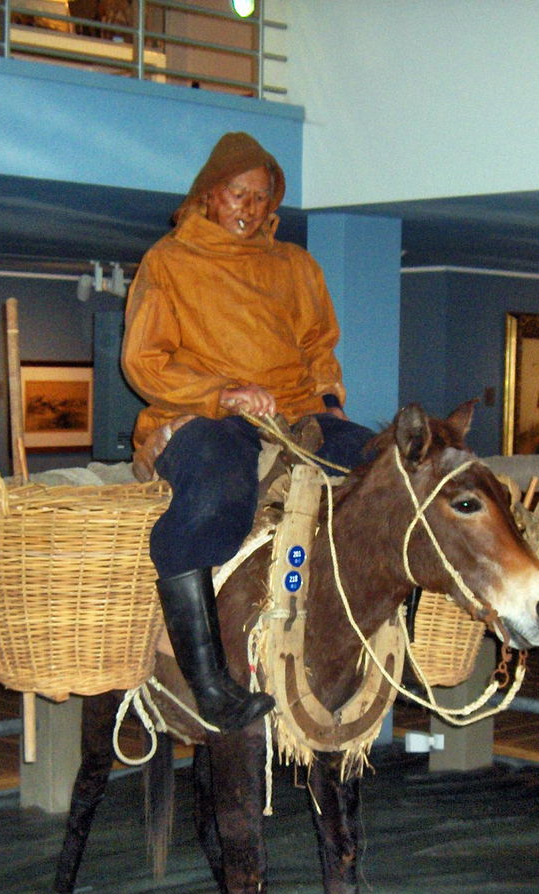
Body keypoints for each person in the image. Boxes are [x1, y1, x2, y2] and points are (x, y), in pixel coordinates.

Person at [122, 131, 374, 731]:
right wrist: (222, 394)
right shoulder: (169, 262)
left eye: (261, 198)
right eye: (239, 194)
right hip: (206, 411)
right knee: (215, 500)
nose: (250, 208)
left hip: (293, 410)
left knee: (378, 473)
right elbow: (144, 361)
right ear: (210, 196)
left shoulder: (295, 265)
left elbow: (318, 345)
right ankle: (210, 683)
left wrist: (331, 402)